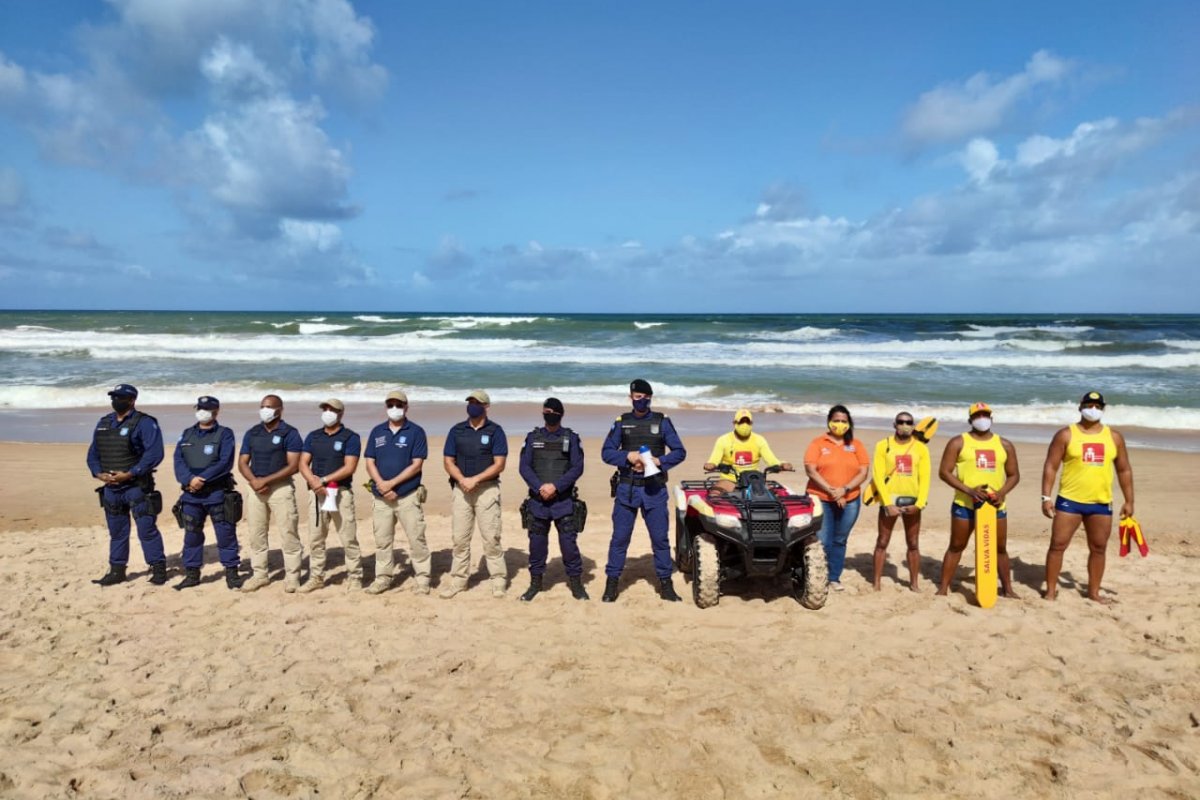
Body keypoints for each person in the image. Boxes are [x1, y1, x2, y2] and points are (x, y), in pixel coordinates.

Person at [1040, 391, 1135, 603]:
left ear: (1103, 409)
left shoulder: (1114, 437)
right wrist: (1046, 497)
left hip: (1100, 503)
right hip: (1069, 501)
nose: (1093, 409)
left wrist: (1129, 500)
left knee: (1099, 548)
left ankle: (1093, 592)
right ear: (1080, 406)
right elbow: (1051, 466)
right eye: (1089, 404)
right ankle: (1050, 590)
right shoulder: (1066, 434)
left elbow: (1124, 470)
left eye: (1098, 406)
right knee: (1058, 545)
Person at [600, 379, 687, 603]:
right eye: (637, 397)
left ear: (650, 398)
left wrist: (660, 461)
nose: (641, 401)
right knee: (619, 539)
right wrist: (627, 456)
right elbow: (607, 452)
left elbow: (679, 451)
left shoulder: (662, 421)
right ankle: (611, 584)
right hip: (627, 489)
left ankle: (666, 585)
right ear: (631, 398)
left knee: (660, 540)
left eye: (645, 397)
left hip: (654, 489)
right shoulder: (622, 422)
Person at [86, 383, 168, 586]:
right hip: (111, 489)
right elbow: (93, 454)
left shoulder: (145, 423)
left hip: (136, 487)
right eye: (113, 397)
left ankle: (158, 569)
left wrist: (131, 473)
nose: (115, 401)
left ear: (132, 400)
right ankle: (117, 570)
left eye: (120, 397)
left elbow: (154, 454)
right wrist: (99, 473)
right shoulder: (104, 422)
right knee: (117, 532)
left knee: (146, 530)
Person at [936, 402, 1019, 599]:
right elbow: (944, 472)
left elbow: (1014, 475)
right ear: (970, 420)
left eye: (985, 415)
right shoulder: (958, 442)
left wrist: (1001, 493)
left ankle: (1008, 589)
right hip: (965, 505)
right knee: (957, 546)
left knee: (1000, 548)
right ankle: (943, 588)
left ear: (991, 418)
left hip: (995, 506)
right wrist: (969, 490)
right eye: (977, 416)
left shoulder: (1004, 444)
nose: (982, 419)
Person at [517, 397, 588, 602]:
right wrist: (540, 487)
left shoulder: (571, 438)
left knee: (568, 544)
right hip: (538, 501)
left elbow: (577, 467)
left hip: (563, 501)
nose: (548, 414)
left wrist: (556, 487)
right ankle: (535, 583)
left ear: (560, 414)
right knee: (536, 544)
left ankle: (576, 584)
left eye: (552, 411)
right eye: (545, 411)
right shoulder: (532, 437)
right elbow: (524, 467)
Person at [441, 390, 509, 599]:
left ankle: (498, 580)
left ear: (486, 406)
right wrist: (462, 480)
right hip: (461, 491)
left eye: (477, 403)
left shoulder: (495, 431)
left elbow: (500, 464)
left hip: (487, 490)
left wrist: (475, 479)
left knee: (491, 538)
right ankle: (459, 581)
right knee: (460, 539)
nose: (472, 405)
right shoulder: (457, 430)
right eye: (470, 402)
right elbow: (448, 461)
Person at [363, 390, 431, 595]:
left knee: (416, 538)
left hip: (407, 495)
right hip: (381, 496)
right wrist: (381, 485)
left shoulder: (416, 431)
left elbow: (417, 465)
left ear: (406, 407)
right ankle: (383, 577)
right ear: (386, 407)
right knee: (383, 540)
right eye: (391, 404)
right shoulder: (377, 431)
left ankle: (422, 578)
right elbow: (369, 461)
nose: (395, 408)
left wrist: (392, 483)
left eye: (399, 405)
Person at [172, 396, 243, 590]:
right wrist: (188, 480)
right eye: (200, 408)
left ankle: (231, 573)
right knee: (192, 535)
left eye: (207, 408)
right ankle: (192, 574)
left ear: (216, 411)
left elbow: (224, 462)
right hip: (191, 495)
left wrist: (201, 479)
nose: (202, 411)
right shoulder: (187, 434)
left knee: (226, 534)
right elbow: (178, 460)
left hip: (217, 494)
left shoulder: (224, 434)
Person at [237, 394, 303, 593]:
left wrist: (266, 481)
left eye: (269, 407)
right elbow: (242, 462)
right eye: (262, 406)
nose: (264, 410)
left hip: (280, 489)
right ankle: (260, 575)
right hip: (255, 488)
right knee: (256, 533)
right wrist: (254, 481)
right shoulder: (253, 432)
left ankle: (292, 577)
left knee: (288, 532)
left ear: (279, 410)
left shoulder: (290, 433)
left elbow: (293, 466)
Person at [298, 398, 362, 592]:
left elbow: (349, 467)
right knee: (316, 538)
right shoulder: (313, 436)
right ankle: (316, 576)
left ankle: (355, 576)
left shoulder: (350, 437)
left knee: (348, 536)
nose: (327, 412)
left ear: (340, 413)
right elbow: (303, 463)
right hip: (317, 494)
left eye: (331, 409)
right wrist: (314, 483)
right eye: (324, 408)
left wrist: (323, 480)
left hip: (340, 492)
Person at [804, 405, 870, 592]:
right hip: (821, 497)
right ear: (829, 422)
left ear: (849, 424)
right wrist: (833, 491)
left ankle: (834, 578)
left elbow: (863, 472)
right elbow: (811, 470)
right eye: (836, 420)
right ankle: (818, 576)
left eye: (843, 421)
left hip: (850, 499)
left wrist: (844, 490)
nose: (839, 424)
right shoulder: (818, 443)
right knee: (822, 540)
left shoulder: (856, 445)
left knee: (840, 539)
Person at [869, 411, 931, 591]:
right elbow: (878, 476)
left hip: (912, 502)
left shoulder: (921, 448)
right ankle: (877, 582)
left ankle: (914, 583)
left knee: (913, 543)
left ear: (913, 426)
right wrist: (887, 503)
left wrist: (919, 504)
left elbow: (925, 478)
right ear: (894, 424)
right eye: (901, 422)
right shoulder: (883, 445)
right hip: (890, 502)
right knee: (882, 542)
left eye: (909, 422)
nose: (905, 425)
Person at [702, 408, 793, 493]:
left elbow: (772, 460)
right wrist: (710, 465)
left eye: (747, 422)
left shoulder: (759, 440)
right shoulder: (723, 440)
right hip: (730, 479)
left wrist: (782, 464)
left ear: (751, 424)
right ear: (734, 423)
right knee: (715, 494)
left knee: (772, 496)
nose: (744, 425)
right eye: (741, 422)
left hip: (753, 479)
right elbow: (714, 460)